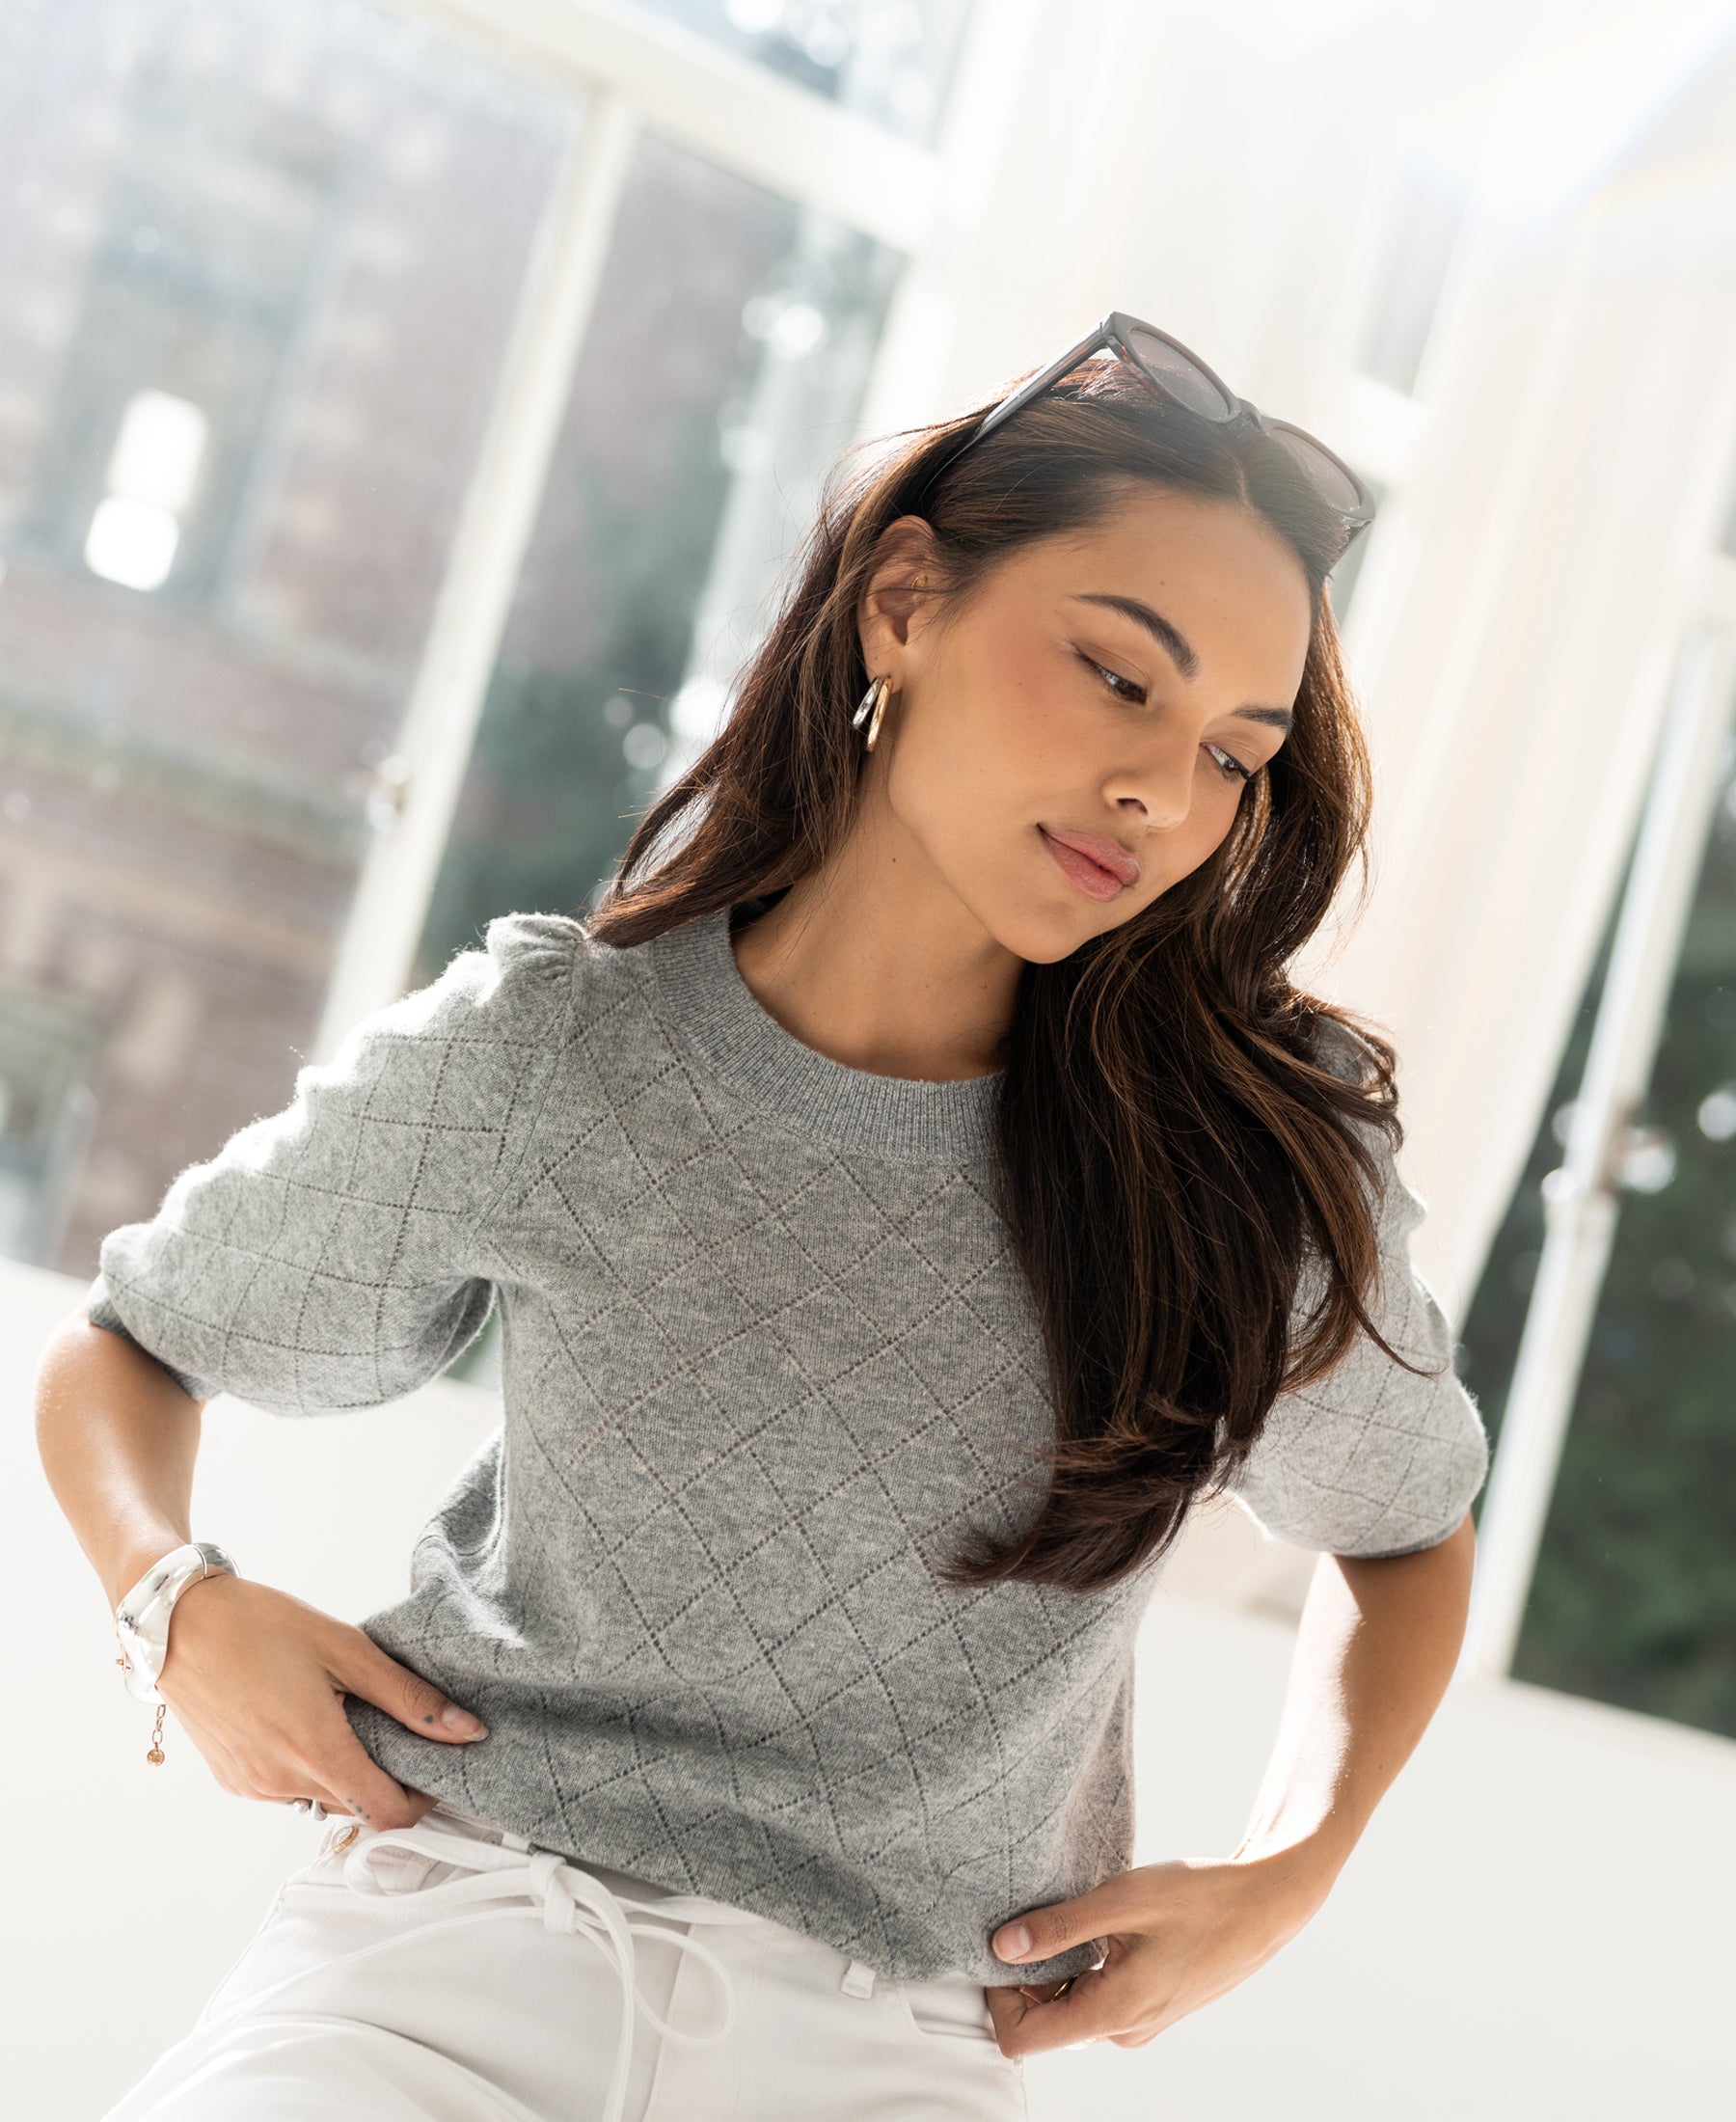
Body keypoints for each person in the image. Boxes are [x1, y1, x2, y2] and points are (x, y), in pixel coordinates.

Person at [36, 313, 1488, 2122]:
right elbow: (131, 1346)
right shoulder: (556, 1048)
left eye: (1234, 754)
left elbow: (1411, 1531)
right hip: (439, 1974)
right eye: (1122, 676)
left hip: (890, 2057)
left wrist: (1292, 1869)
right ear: (903, 603)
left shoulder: (1248, 1177)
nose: (1162, 793)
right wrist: (169, 1601)